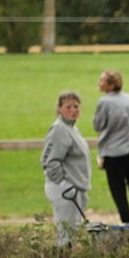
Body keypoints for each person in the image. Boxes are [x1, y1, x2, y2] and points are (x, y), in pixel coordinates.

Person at [92, 69, 129, 224]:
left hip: (113, 152)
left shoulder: (104, 102)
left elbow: (97, 125)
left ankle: (126, 222)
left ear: (110, 85)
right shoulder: (128, 98)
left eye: (102, 81)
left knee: (119, 191)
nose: (99, 83)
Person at [40, 91, 92, 246]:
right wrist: (63, 184)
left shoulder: (72, 129)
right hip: (65, 190)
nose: (73, 110)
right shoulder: (59, 129)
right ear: (59, 109)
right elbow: (48, 161)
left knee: (72, 232)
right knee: (65, 234)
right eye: (68, 107)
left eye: (76, 106)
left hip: (76, 188)